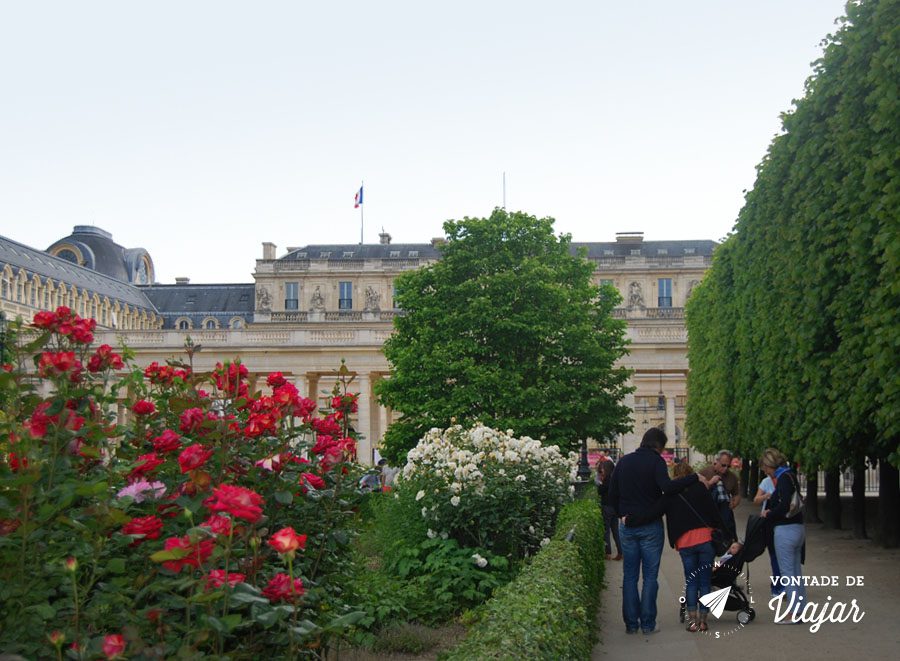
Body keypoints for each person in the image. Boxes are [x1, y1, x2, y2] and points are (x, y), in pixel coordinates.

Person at [608, 428, 711, 635]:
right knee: (650, 577)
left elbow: (611, 496)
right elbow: (667, 487)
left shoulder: (624, 462)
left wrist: (622, 515)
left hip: (627, 527)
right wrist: (693, 478)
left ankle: (631, 624)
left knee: (629, 577)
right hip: (650, 527)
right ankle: (647, 624)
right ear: (658, 446)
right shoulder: (656, 462)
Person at [624, 462, 725, 633]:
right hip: (705, 540)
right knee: (705, 582)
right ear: (691, 474)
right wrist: (727, 535)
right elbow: (715, 513)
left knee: (691, 582)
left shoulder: (670, 496)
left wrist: (630, 520)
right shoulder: (701, 489)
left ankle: (692, 622)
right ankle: (703, 621)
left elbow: (652, 513)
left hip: (685, 543)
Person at [759, 447, 805, 624]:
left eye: (765, 467)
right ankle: (800, 609)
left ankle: (793, 613)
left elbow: (785, 505)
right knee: (796, 573)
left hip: (785, 530)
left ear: (770, 464)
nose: (764, 470)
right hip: (798, 528)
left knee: (787, 574)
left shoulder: (783, 478)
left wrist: (769, 513)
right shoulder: (791, 475)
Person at [700, 450, 740, 541]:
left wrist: (734, 503)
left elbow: (736, 494)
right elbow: (695, 491)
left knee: (728, 538)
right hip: (707, 512)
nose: (726, 468)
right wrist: (710, 483)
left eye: (728, 466)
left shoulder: (732, 477)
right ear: (716, 461)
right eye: (723, 465)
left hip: (724, 514)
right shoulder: (704, 473)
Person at [753, 473, 782, 594]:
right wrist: (766, 496)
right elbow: (756, 500)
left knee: (783, 555)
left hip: (782, 521)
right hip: (769, 522)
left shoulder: (784, 480)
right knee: (775, 555)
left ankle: (781, 585)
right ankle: (777, 586)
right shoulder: (766, 481)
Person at [596, 458, 622, 561]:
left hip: (606, 506)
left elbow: (600, 491)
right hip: (615, 507)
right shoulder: (616, 479)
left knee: (606, 531)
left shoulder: (607, 480)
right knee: (615, 531)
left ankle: (608, 553)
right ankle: (620, 552)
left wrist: (600, 482)